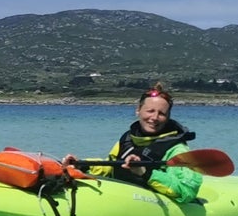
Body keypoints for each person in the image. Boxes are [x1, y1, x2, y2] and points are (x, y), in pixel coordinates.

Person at [63, 82, 204, 202]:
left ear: (168, 117)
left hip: (151, 205)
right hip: (122, 199)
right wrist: (82, 165)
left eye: (161, 114)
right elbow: (111, 167)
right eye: (150, 111)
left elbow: (187, 192)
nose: (154, 117)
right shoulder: (127, 139)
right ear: (138, 111)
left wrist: (145, 172)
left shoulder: (177, 150)